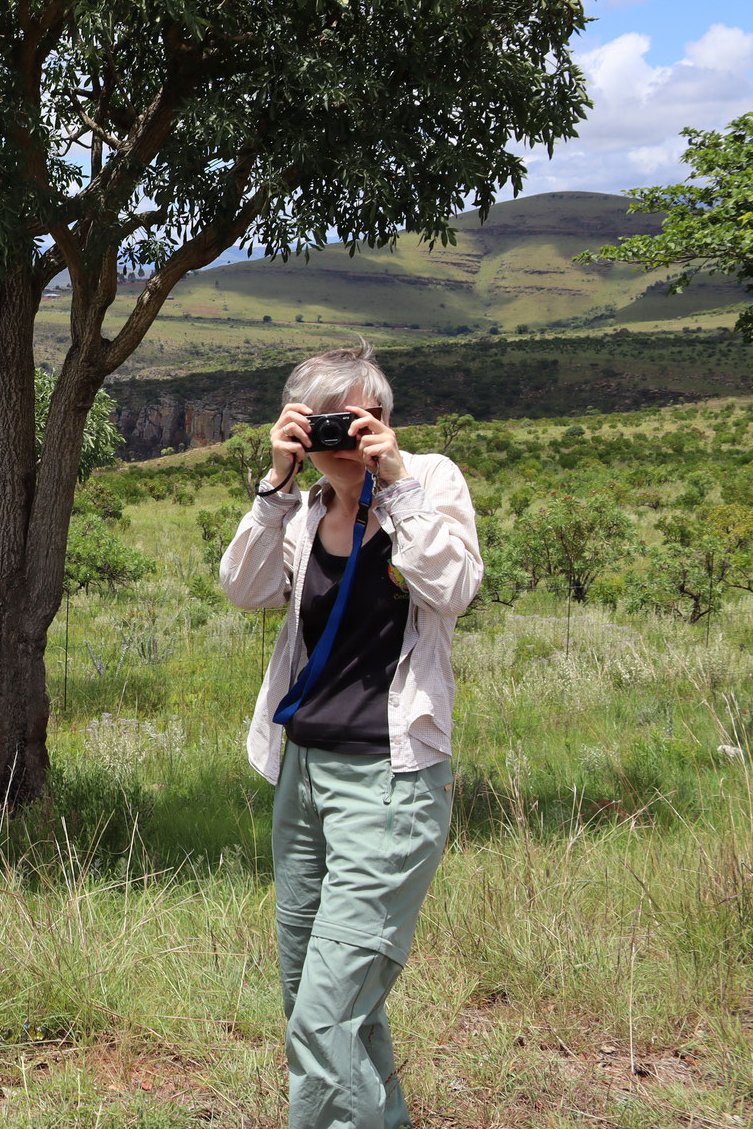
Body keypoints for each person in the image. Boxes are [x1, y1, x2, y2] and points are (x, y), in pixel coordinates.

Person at [219, 341, 481, 1129]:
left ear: (386, 421)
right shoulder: (300, 508)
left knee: (326, 1014)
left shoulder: (429, 481)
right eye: (325, 420)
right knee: (318, 997)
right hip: (303, 776)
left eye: (360, 417)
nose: (343, 434)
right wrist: (275, 484)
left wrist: (393, 485)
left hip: (389, 783)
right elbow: (244, 588)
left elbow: (455, 587)